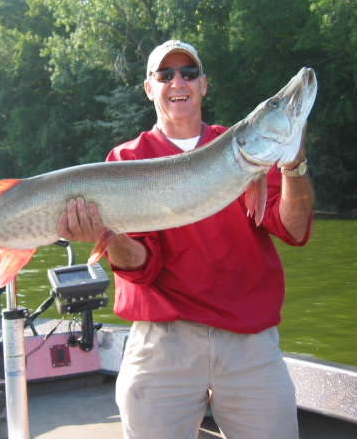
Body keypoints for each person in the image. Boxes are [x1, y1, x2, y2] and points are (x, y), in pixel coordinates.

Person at [56, 40, 313, 439]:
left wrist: (294, 164)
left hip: (250, 341)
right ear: (150, 88)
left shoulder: (248, 151)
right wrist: (108, 236)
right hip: (163, 344)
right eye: (165, 75)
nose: (178, 82)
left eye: (189, 73)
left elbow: (294, 230)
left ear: (203, 85)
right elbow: (141, 269)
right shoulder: (127, 160)